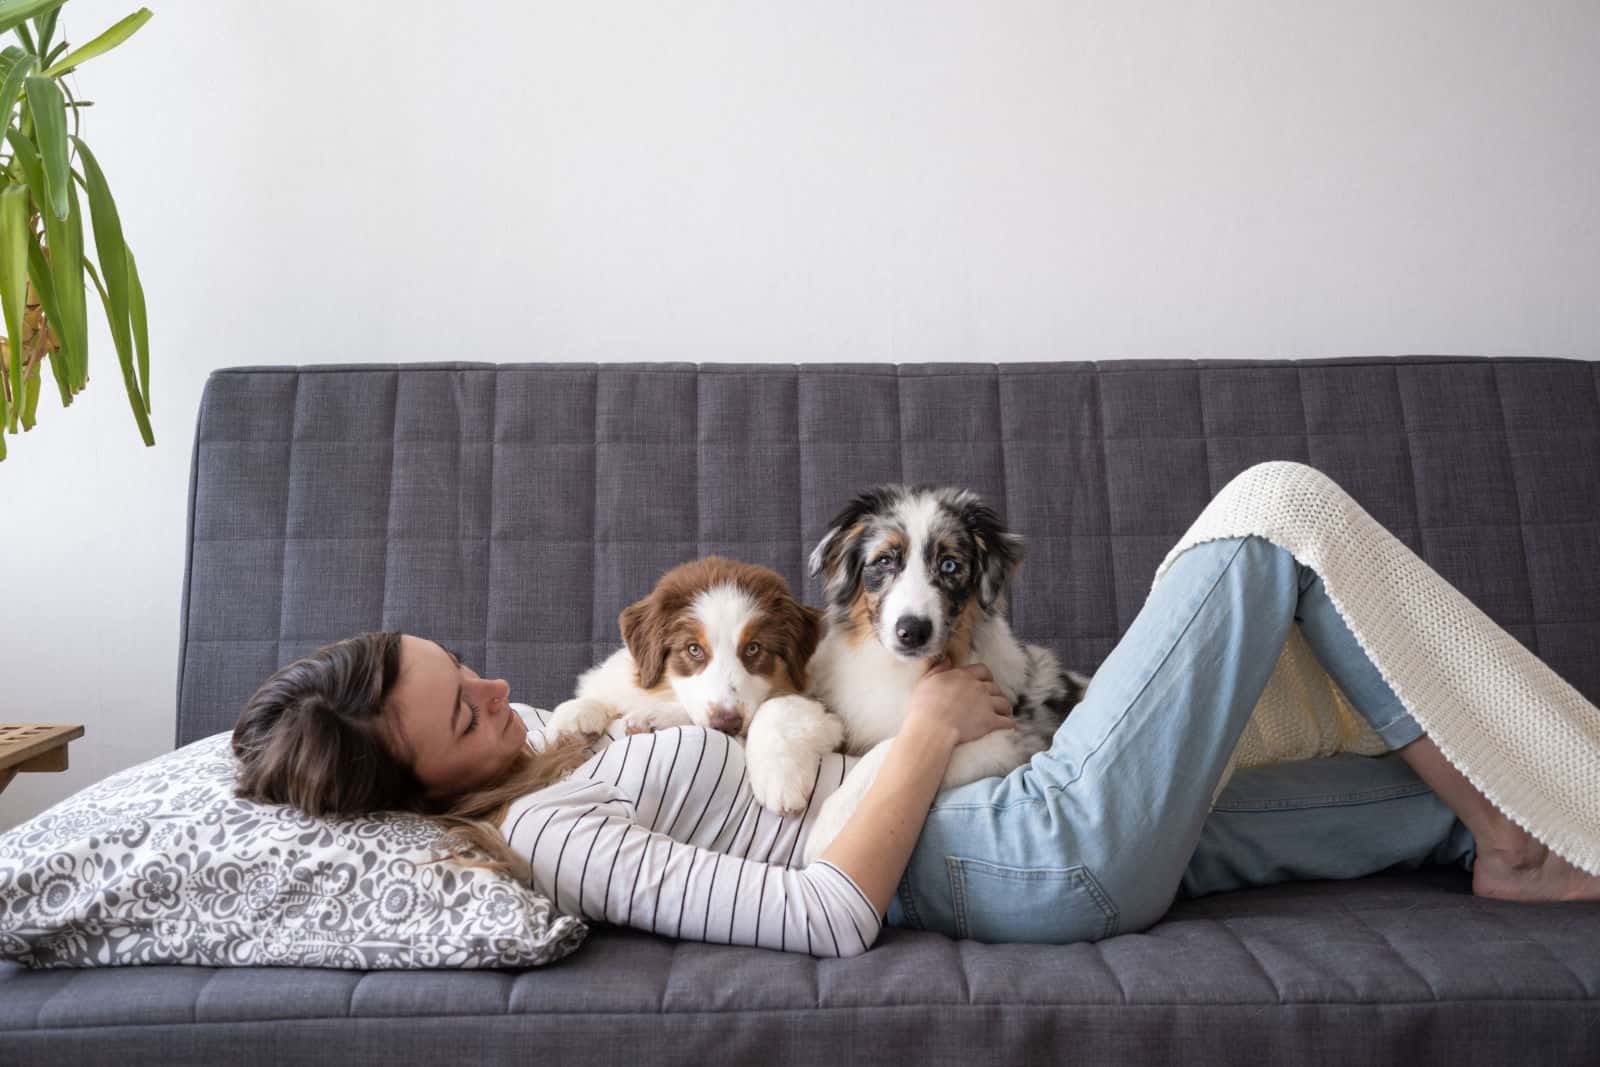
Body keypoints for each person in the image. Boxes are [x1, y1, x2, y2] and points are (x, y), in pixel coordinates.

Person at [233, 519, 1600, 957]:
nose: (493, 683)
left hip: (1024, 817)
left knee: (1403, 801)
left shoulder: (566, 738)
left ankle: (1506, 839)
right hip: (996, 847)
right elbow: (827, 914)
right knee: (1270, 522)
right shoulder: (557, 832)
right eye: (463, 707)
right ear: (419, 788)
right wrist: (935, 726)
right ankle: (1510, 827)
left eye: (459, 663)